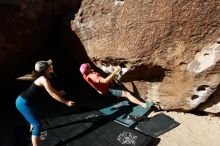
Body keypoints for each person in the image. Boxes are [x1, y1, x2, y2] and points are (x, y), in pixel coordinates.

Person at [15, 59, 75, 146]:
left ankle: (32, 123)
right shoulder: (43, 79)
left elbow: (51, 89)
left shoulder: (44, 77)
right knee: (38, 125)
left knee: (35, 117)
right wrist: (66, 102)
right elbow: (52, 95)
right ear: (46, 69)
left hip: (25, 101)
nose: (52, 66)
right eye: (49, 66)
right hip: (22, 103)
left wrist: (59, 93)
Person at [79, 63, 149, 108]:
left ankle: (119, 96)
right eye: (87, 66)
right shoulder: (93, 76)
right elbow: (105, 81)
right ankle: (143, 104)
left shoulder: (85, 75)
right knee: (127, 94)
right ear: (87, 69)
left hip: (104, 89)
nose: (88, 64)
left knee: (117, 86)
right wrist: (116, 71)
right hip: (108, 90)